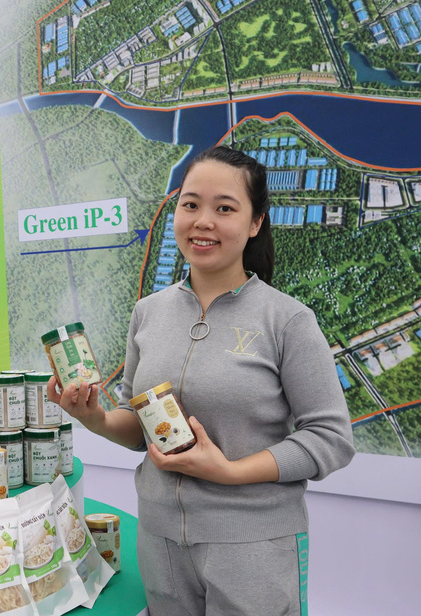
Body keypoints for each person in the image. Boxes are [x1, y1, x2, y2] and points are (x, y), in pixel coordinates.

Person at [48, 146, 355, 615]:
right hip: (159, 543)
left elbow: (331, 439)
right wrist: (97, 419)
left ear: (255, 223)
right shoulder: (148, 313)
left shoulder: (288, 320)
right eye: (190, 204)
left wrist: (230, 471)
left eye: (225, 208)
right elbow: (139, 424)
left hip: (253, 546)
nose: (203, 221)